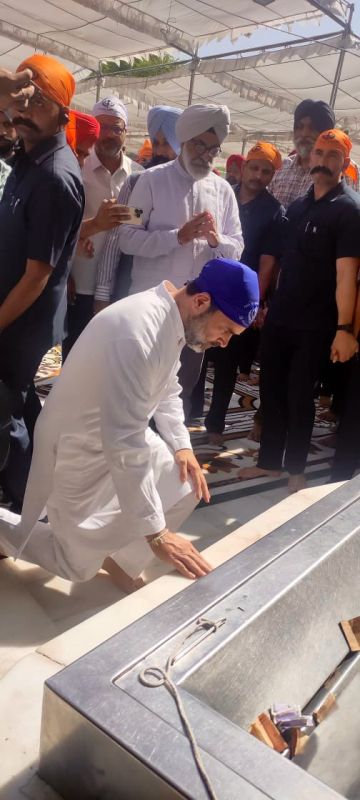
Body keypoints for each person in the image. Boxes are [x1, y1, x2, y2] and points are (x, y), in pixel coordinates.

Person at [0, 259, 259, 591]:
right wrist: (158, 535)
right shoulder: (140, 332)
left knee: (186, 484)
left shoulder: (171, 319)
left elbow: (166, 388)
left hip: (120, 433)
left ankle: (122, 561)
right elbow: (123, 443)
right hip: (77, 445)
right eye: (225, 331)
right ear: (201, 302)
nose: (224, 342)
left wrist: (182, 447)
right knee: (75, 565)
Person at [238, 129, 360, 494]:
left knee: (299, 395)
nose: (322, 161)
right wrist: (264, 305)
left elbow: (347, 275)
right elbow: (281, 264)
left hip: (317, 324)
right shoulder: (296, 207)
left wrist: (343, 328)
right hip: (281, 317)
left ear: (345, 163)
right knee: (271, 389)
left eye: (331, 155)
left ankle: (296, 469)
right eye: (318, 154)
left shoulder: (349, 211)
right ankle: (270, 463)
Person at [117, 103, 244, 419]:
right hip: (151, 310)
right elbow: (126, 237)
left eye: (212, 148)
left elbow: (237, 248)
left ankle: (165, 458)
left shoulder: (224, 191)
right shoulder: (147, 181)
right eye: (200, 144)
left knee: (177, 396)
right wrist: (178, 236)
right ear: (184, 140)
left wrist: (217, 240)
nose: (206, 154)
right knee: (135, 394)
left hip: (196, 317)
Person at [0, 53, 84, 511]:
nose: (24, 111)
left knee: (7, 416)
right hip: (15, 318)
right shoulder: (27, 157)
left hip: (23, 327)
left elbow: (37, 276)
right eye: (21, 100)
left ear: (62, 114)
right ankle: (37, 495)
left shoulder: (55, 176)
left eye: (38, 102)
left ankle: (24, 508)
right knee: (22, 410)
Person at [204, 142, 285, 444]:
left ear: (271, 176)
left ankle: (215, 426)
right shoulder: (222, 192)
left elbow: (267, 264)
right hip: (209, 287)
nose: (258, 175)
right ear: (244, 167)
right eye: (255, 167)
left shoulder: (274, 212)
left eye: (266, 171)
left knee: (226, 362)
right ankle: (185, 412)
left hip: (238, 297)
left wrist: (252, 305)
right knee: (197, 355)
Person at [62, 96, 143, 358]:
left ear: (126, 133)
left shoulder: (139, 175)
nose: (108, 135)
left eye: (116, 128)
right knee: (76, 357)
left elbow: (140, 222)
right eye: (102, 127)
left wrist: (123, 217)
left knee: (111, 361)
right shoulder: (77, 168)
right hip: (80, 283)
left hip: (121, 285)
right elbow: (61, 229)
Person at [94, 104, 182, 310]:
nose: (160, 151)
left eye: (167, 143)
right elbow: (116, 238)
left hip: (175, 297)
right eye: (156, 142)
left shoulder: (197, 189)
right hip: (132, 291)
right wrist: (102, 293)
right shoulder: (137, 183)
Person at [269, 99, 335, 209]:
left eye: (312, 128)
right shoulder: (282, 167)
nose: (304, 134)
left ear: (326, 133)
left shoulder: (339, 172)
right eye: (299, 127)